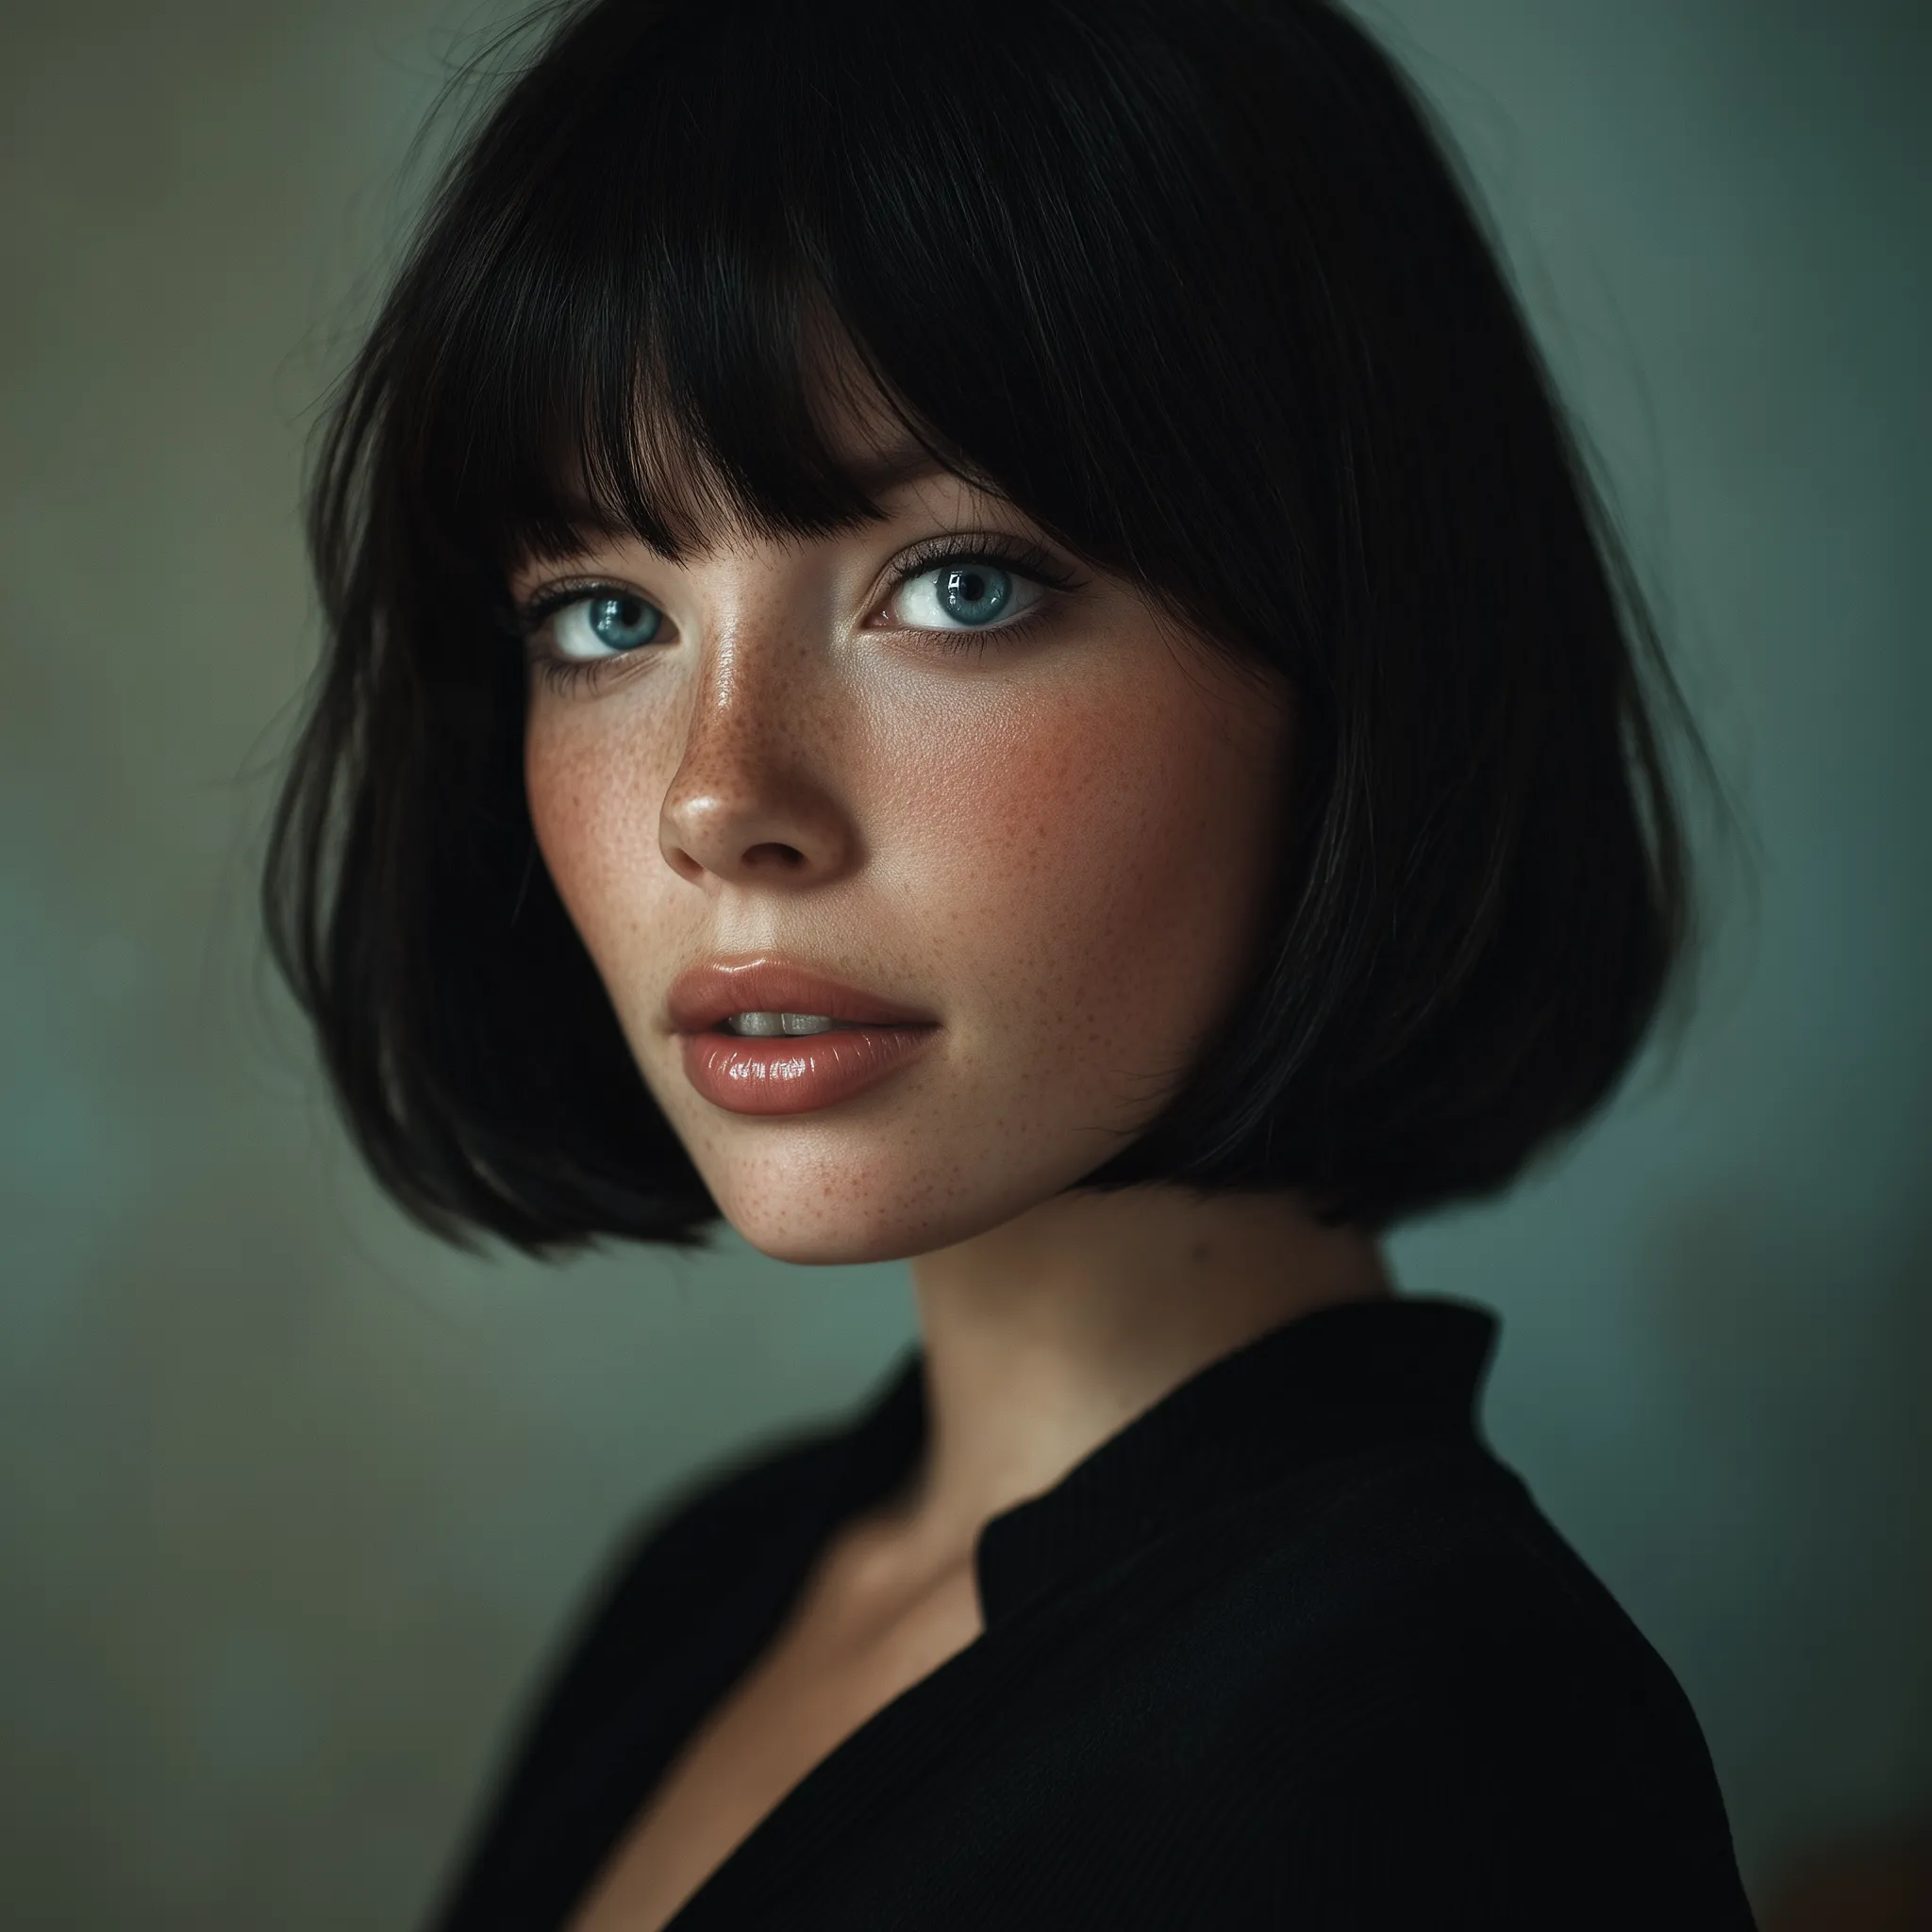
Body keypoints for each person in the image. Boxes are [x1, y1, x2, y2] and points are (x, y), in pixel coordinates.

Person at [263, 0, 1759, 1924]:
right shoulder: (718, 1574)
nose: (718, 802)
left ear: (1352, 645)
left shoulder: (1450, 1752)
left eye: (956, 585)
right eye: (607, 612)